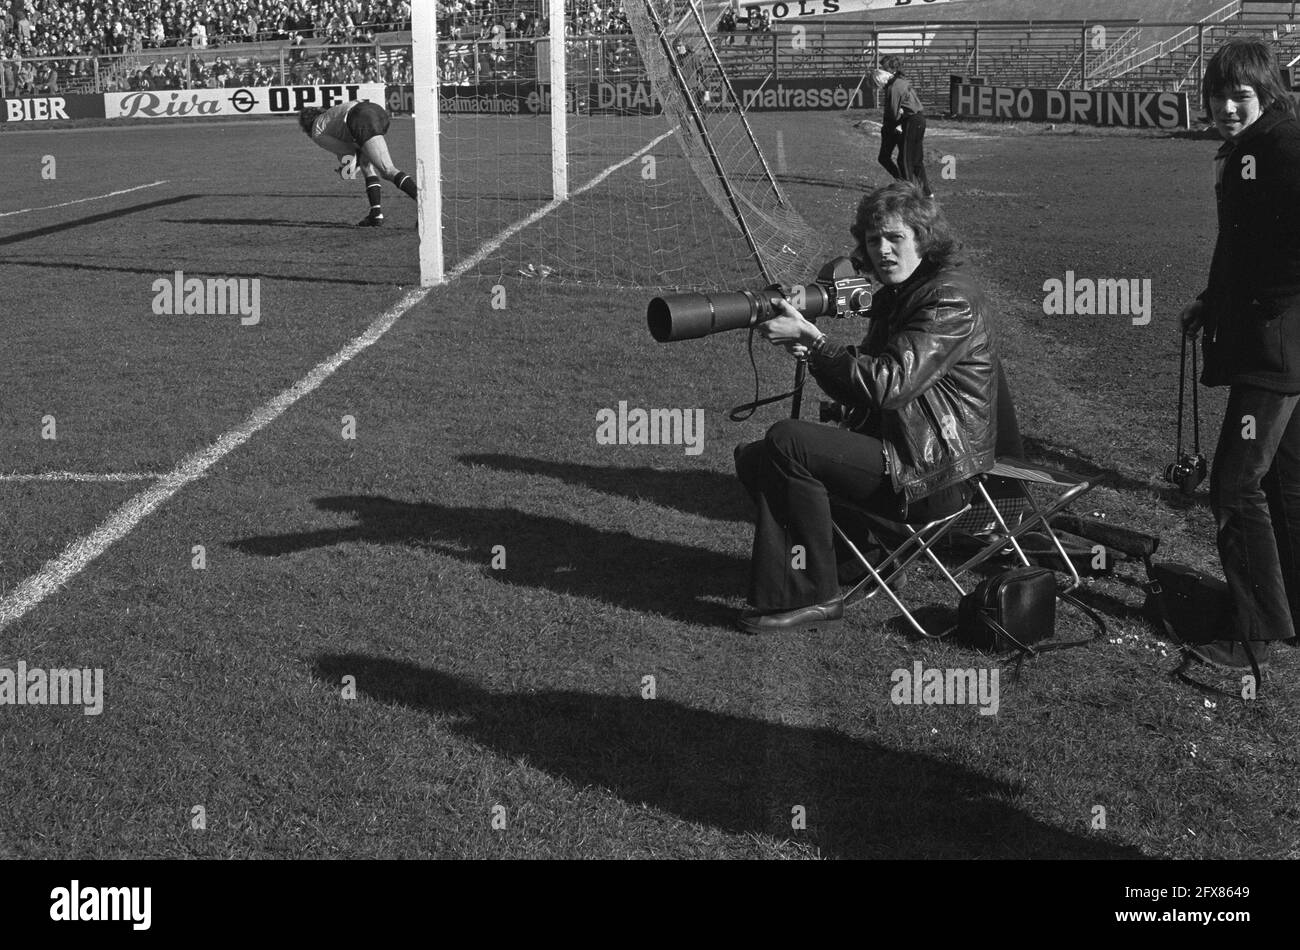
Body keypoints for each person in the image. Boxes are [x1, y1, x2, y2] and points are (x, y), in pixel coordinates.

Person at [733, 182, 997, 634]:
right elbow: (868, 384)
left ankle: (812, 596)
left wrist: (815, 344)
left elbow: (888, 384)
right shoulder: (903, 293)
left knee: (787, 442)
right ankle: (855, 560)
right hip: (903, 453)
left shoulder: (948, 298)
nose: (883, 251)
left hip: (935, 473)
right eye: (874, 240)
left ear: (923, 238)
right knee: (755, 459)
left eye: (896, 238)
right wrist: (811, 353)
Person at [1179, 37, 1300, 670]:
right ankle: (1288, 612)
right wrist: (1212, 300)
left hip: (1276, 349)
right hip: (1279, 343)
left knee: (1233, 484)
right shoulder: (1253, 146)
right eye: (1217, 96)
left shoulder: (1284, 146)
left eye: (1240, 96)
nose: (1226, 107)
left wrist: (1258, 307)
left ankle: (1256, 629)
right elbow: (1245, 244)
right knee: (1284, 483)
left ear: (1269, 92)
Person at [298, 100, 418, 227]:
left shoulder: (316, 131)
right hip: (376, 111)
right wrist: (352, 165)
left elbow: (349, 151)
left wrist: (346, 170)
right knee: (366, 165)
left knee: (387, 170)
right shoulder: (329, 115)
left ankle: (425, 207)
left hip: (360, 118)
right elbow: (355, 151)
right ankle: (375, 213)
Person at [875, 55, 933, 198]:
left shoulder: (895, 86)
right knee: (916, 160)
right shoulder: (900, 82)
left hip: (911, 121)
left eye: (883, 67)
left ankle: (910, 193)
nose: (881, 70)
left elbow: (893, 114)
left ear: (891, 69)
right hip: (918, 120)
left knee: (905, 160)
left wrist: (891, 126)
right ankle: (927, 193)